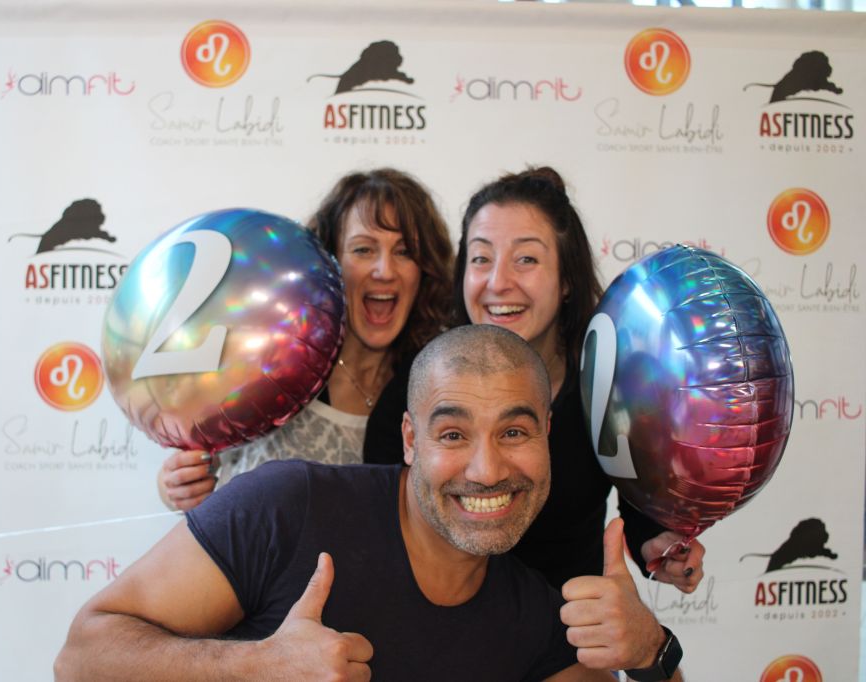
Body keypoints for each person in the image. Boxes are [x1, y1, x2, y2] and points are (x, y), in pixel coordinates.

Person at [55, 326, 682, 681]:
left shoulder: (536, 619)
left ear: (547, 435)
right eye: (453, 435)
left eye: (514, 432)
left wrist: (652, 651)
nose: (487, 470)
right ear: (410, 439)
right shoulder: (289, 506)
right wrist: (258, 668)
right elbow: (82, 656)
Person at [366, 167, 705, 593]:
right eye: (481, 259)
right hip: (439, 624)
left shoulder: (609, 388)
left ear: (566, 280)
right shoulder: (416, 389)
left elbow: (640, 513)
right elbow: (380, 530)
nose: (498, 282)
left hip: (567, 624)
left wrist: (661, 546)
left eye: (526, 259)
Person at [157, 168, 453, 511]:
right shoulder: (267, 360)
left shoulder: (434, 384)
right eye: (363, 250)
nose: (385, 270)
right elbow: (188, 474)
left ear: (424, 270)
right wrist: (175, 485)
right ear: (329, 262)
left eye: (404, 252)